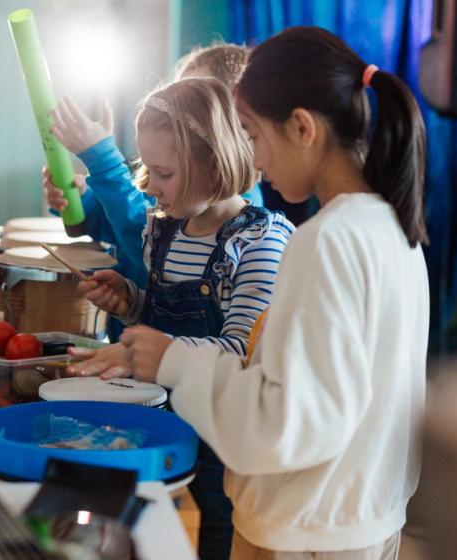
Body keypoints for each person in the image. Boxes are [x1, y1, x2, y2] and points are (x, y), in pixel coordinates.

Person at [120, 26, 430, 560]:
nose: (254, 162)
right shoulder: (393, 228)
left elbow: (287, 424)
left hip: (303, 533)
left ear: (303, 127)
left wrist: (175, 362)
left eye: (254, 137)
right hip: (361, 519)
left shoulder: (325, 240)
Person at [58, 77, 294, 560]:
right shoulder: (161, 231)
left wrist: (149, 352)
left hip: (222, 441)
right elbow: (167, 311)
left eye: (163, 173)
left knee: (211, 535)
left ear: (214, 162)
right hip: (164, 423)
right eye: (147, 169)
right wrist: (131, 302)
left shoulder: (258, 243)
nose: (150, 186)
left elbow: (240, 355)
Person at [43, 43, 261, 296]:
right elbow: (129, 223)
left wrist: (104, 163)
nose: (178, 107)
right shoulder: (177, 179)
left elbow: (145, 241)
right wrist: (82, 201)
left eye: (197, 99)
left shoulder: (241, 216)